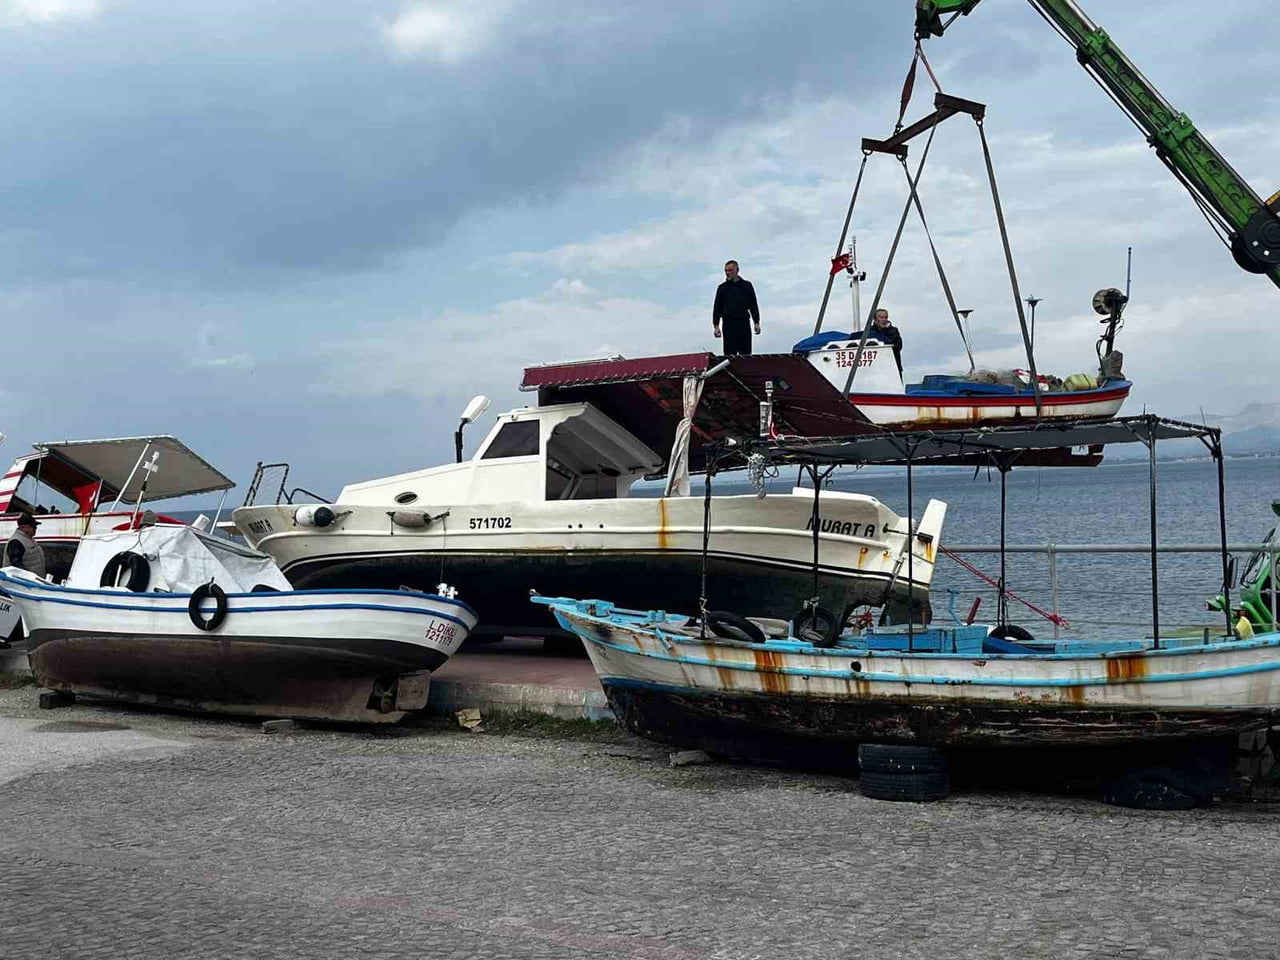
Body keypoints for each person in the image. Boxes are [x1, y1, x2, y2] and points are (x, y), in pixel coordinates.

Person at [712, 260, 761, 356]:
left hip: (743, 322)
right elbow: (717, 308)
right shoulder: (722, 288)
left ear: (737, 270)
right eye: (726, 271)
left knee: (746, 354)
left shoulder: (747, 286)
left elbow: (753, 305)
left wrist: (756, 322)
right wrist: (716, 326)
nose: (727, 273)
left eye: (730, 270)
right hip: (728, 324)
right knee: (729, 355)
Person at [6, 512, 46, 578]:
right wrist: (28, 578)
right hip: (21, 584)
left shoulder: (29, 539)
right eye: (32, 526)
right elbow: (16, 566)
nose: (35, 528)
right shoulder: (16, 541)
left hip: (33, 582)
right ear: (22, 527)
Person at [868, 307, 903, 376]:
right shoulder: (869, 332)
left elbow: (899, 346)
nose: (884, 320)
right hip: (875, 368)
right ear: (875, 319)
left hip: (894, 366)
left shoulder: (894, 331)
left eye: (885, 317)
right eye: (881, 317)